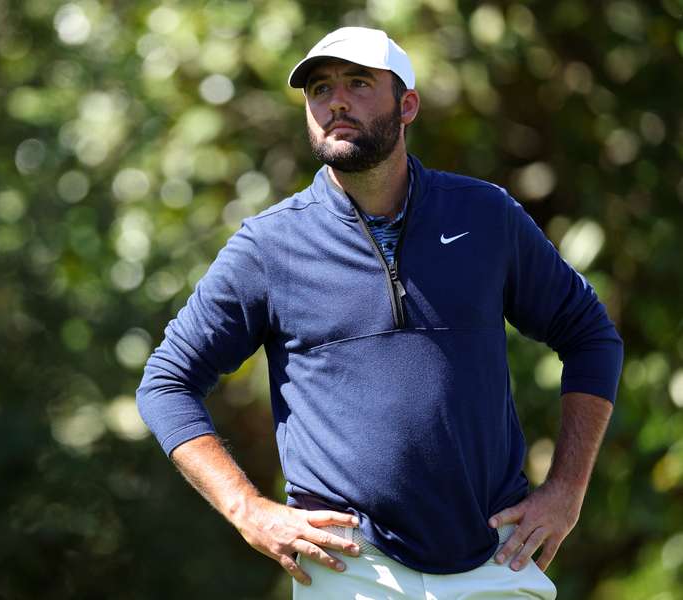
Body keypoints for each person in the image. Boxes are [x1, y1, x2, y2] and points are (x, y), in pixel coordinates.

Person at [136, 26, 623, 599]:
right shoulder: (269, 246)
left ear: (407, 104)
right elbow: (166, 382)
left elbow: (591, 336)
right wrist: (248, 510)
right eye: (319, 89)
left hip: (497, 557)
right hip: (350, 567)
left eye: (358, 83)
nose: (335, 101)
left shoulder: (485, 215)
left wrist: (567, 488)